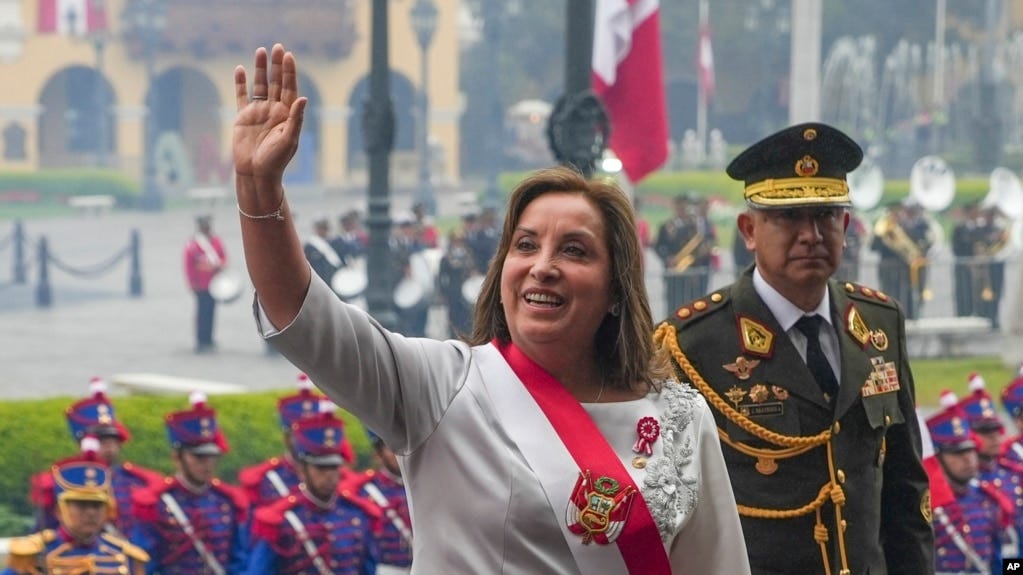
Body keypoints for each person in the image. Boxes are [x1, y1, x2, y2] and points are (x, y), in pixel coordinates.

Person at [232, 43, 750, 574]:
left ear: (618, 287)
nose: (542, 266)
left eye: (573, 250)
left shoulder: (682, 419)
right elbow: (302, 313)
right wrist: (259, 187)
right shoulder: (439, 385)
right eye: (525, 246)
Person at [654, 123, 934, 574]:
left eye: (825, 215)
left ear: (845, 225)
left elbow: (906, 487)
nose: (811, 234)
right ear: (749, 229)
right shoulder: (694, 344)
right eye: (788, 217)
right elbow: (670, 507)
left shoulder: (878, 323)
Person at [247, 404, 379, 575]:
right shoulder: (281, 521)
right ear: (302, 470)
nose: (329, 475)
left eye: (334, 467)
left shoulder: (357, 514)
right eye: (321, 468)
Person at [131, 392, 249, 575]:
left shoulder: (226, 501)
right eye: (199, 457)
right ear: (177, 457)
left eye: (211, 457)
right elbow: (144, 563)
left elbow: (238, 561)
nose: (208, 464)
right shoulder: (155, 504)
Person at [30, 376, 162, 536]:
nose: (109, 446)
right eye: (101, 440)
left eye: (113, 439)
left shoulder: (137, 481)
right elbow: (44, 534)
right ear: (82, 443)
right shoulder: (62, 482)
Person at [3, 437, 150, 575]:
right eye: (81, 506)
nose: (91, 512)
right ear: (60, 510)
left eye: (97, 505)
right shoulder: (33, 555)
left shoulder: (126, 555)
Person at [239, 373, 354, 512]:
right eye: (298, 432)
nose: (303, 439)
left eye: (311, 432)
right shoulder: (265, 481)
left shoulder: (346, 481)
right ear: (287, 436)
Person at [925, 393, 1006, 575]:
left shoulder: (988, 499)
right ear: (938, 458)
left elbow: (999, 563)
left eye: (970, 451)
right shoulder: (929, 507)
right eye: (957, 453)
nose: (968, 459)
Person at [347, 431, 413, 574]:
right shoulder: (365, 492)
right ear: (378, 454)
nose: (400, 455)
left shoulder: (421, 485)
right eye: (392, 449)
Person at [870, 199, 935, 319]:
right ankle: (888, 317)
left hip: (904, 267)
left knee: (906, 292)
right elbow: (873, 247)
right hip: (887, 267)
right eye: (893, 212)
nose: (896, 215)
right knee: (888, 293)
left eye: (898, 212)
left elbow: (914, 245)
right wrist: (883, 238)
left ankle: (908, 316)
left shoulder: (905, 228)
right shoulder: (883, 227)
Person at [655, 193, 715, 314]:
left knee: (691, 306)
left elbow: (697, 249)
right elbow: (658, 246)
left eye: (683, 207)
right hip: (673, 272)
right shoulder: (666, 226)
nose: (681, 210)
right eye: (679, 206)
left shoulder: (693, 226)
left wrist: (695, 267)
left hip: (691, 273)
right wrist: (667, 258)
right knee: (673, 305)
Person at [183, 214, 227, 353]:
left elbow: (223, 257)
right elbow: (189, 266)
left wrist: (220, 265)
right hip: (200, 284)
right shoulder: (193, 244)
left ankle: (209, 338)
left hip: (214, 283)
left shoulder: (216, 241)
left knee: (211, 312)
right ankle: (201, 339)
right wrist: (192, 284)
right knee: (202, 312)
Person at [436, 230, 479, 338]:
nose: (459, 244)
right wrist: (443, 292)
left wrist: (473, 273)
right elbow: (441, 277)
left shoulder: (468, 254)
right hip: (453, 291)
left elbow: (472, 269)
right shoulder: (446, 258)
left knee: (467, 316)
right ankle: (453, 336)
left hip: (466, 291)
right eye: (456, 241)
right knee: (453, 316)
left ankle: (467, 336)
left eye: (460, 241)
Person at [303, 217, 343, 285]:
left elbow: (341, 259)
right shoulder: (310, 246)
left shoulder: (336, 242)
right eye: (320, 228)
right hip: (319, 280)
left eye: (324, 228)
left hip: (335, 278)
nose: (323, 230)